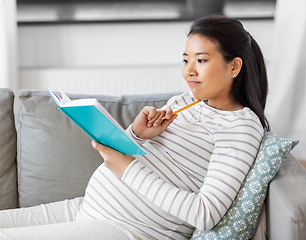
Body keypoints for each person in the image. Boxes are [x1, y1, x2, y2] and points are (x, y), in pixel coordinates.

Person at [0, 15, 269, 240]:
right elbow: (148, 161)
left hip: (130, 230)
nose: (189, 71)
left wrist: (126, 168)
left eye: (201, 60)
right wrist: (136, 134)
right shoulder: (185, 101)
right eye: (185, 60)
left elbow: (205, 213)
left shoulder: (241, 127)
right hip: (87, 207)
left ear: (233, 66)